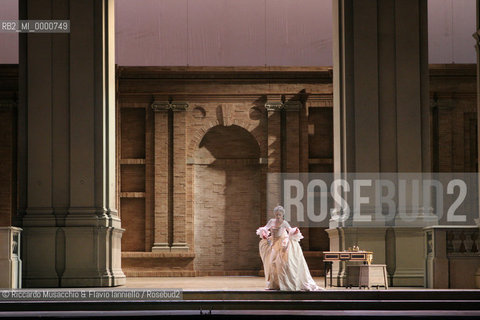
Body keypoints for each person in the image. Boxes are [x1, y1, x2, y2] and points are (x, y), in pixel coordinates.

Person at [256, 205, 324, 291]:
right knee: (272, 263)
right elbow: (265, 228)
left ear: (282, 215)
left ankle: (284, 283)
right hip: (273, 243)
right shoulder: (271, 221)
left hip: (282, 243)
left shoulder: (284, 223)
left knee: (281, 263)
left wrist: (294, 231)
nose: (277, 216)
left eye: (279, 215)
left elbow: (290, 230)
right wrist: (264, 233)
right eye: (276, 214)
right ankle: (274, 284)